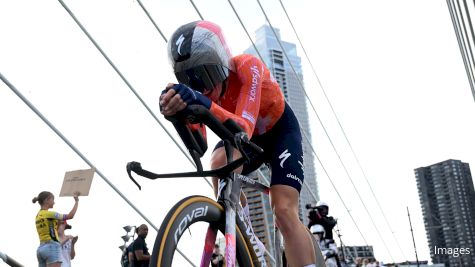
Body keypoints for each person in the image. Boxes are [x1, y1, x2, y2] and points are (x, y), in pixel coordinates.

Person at [160, 20, 316, 267]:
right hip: (244, 136)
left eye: (206, 76)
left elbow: (243, 127)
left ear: (222, 65)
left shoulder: (247, 67)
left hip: (279, 132)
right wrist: (176, 116)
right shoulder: (202, 94)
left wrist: (200, 101)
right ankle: (245, 239)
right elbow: (199, 146)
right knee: (218, 162)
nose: (202, 88)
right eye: (191, 81)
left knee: (284, 210)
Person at [33, 191, 79, 267]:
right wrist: (76, 202)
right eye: (52, 200)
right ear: (47, 200)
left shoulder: (38, 215)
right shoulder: (49, 214)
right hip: (52, 247)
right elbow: (70, 216)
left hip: (41, 249)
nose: (54, 202)